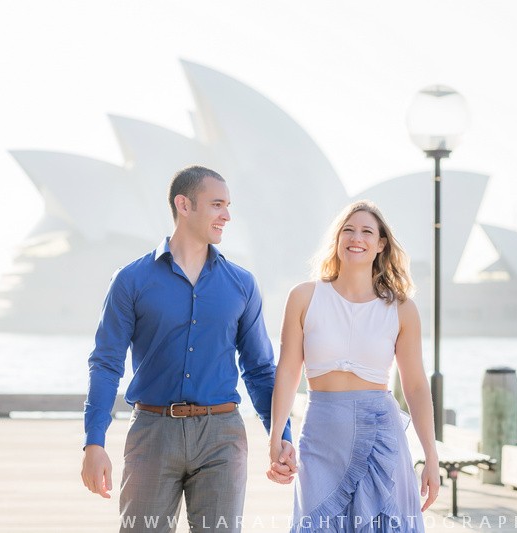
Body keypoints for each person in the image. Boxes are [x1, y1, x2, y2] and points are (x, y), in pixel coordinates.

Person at [81, 165, 295, 533]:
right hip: (152, 432)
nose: (227, 215)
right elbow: (106, 364)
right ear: (184, 204)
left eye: (227, 205)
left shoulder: (242, 284)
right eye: (216, 204)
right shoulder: (131, 280)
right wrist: (93, 443)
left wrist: (281, 436)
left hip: (222, 436)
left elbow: (260, 370)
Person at [267, 200, 439, 532]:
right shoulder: (304, 297)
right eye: (348, 230)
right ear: (337, 239)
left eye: (366, 231)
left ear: (380, 244)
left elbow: (416, 387)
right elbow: (287, 372)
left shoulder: (401, 309)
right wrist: (277, 435)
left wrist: (431, 457)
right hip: (320, 435)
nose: (356, 238)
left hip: (381, 435)